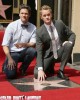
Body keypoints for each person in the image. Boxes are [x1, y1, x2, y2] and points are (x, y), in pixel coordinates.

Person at [34, 5, 76, 81]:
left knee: (68, 45)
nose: (47, 17)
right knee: (37, 74)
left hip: (60, 52)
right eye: (44, 15)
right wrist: (40, 69)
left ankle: (61, 71)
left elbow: (72, 34)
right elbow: (39, 51)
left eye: (48, 15)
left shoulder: (59, 23)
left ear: (51, 15)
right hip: (48, 56)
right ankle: (50, 66)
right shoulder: (39, 32)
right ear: (41, 17)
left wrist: (70, 41)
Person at [2, 4, 36, 79]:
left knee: (32, 51)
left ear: (29, 15)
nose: (24, 15)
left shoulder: (33, 27)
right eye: (22, 13)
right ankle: (6, 64)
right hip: (13, 53)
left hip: (24, 51)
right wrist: (9, 58)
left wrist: (24, 44)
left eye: (26, 13)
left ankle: (22, 68)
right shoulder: (11, 26)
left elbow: (33, 43)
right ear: (19, 14)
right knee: (11, 75)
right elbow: (5, 45)